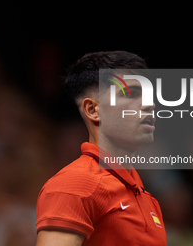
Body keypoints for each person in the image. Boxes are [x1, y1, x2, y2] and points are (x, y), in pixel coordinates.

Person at [35, 51, 167, 245]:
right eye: (131, 94)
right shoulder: (74, 185)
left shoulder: (149, 201)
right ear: (93, 110)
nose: (150, 104)